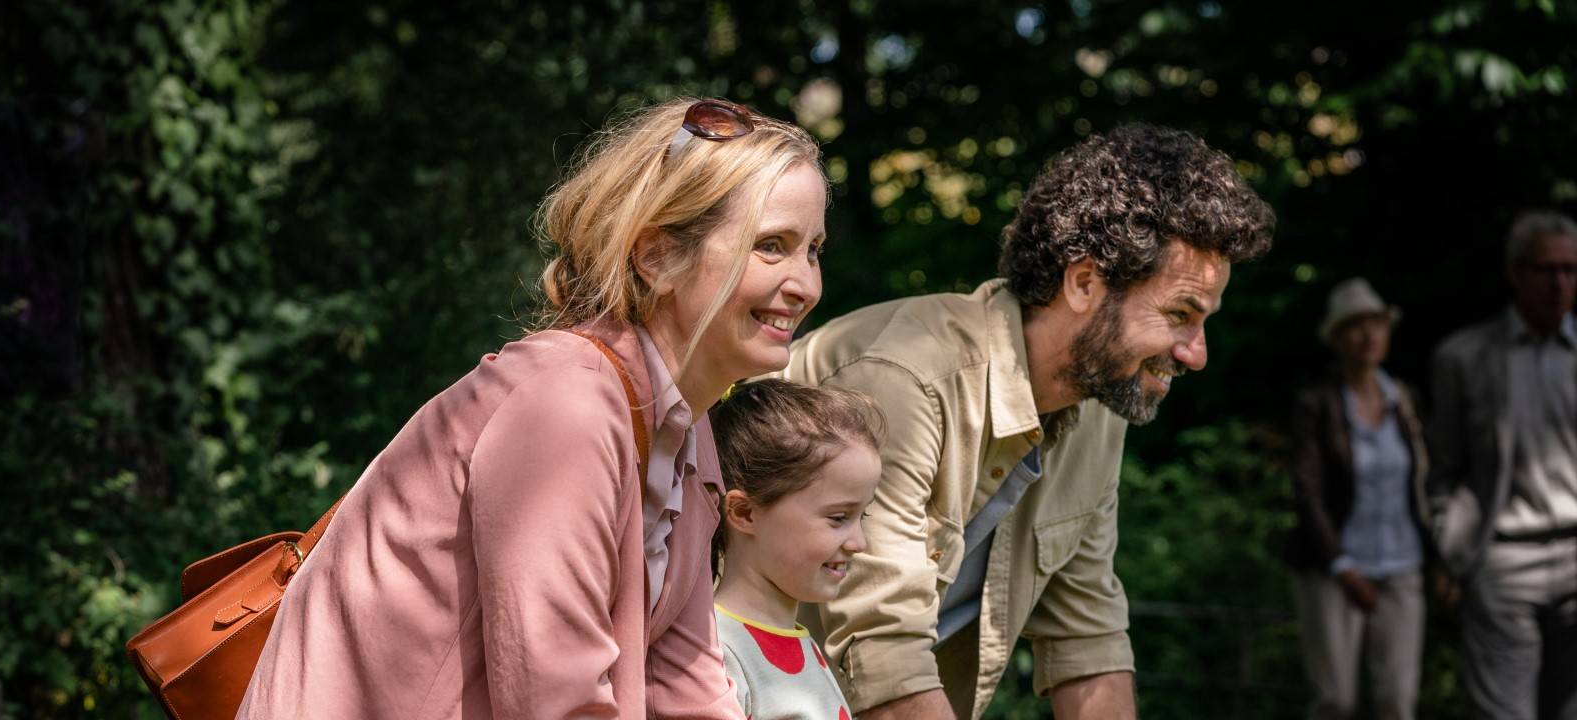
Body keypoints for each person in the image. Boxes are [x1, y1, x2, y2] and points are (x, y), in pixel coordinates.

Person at [235, 98, 828, 719]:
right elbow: (556, 703)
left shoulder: (688, 432)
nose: (806, 285)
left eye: (812, 250)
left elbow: (686, 688)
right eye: (770, 246)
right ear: (656, 257)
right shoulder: (567, 409)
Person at [780, 124, 1275, 719]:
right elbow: (882, 656)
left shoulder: (1099, 407)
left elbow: (1086, 638)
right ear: (1085, 281)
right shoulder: (907, 380)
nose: (1196, 352)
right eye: (1179, 314)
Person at [1429, 209, 1577, 720]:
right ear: (1516, 272)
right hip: (1504, 562)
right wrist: (1454, 548)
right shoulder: (1464, 357)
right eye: (1547, 269)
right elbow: (1444, 467)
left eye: (1570, 269)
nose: (1560, 283)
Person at [1285, 278, 1431, 720]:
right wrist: (1342, 565)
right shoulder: (1317, 404)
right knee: (1336, 700)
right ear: (1336, 338)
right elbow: (1307, 491)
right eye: (1355, 326)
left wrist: (1440, 559)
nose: (1369, 335)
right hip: (1334, 568)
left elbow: (1422, 483)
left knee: (1397, 702)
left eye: (1376, 324)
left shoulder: (1403, 400)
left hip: (1402, 566)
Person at [708, 379, 885, 720]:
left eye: (863, 516)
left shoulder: (801, 644)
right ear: (744, 513)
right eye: (838, 518)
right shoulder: (716, 650)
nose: (859, 543)